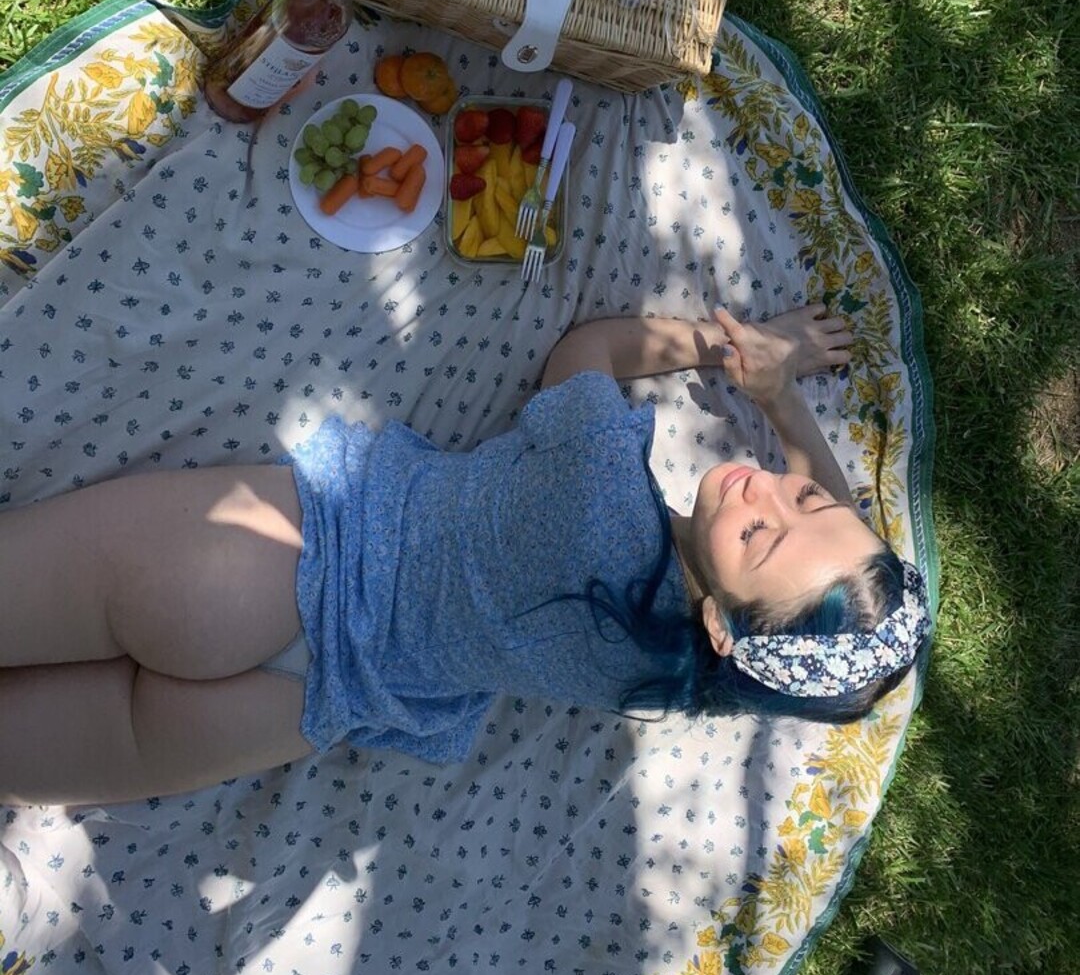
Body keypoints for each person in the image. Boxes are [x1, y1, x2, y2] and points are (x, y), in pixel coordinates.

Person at [0, 304, 930, 807]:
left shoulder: (598, 478)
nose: (767, 489)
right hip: (293, 710)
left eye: (761, 531)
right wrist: (784, 407)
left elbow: (586, 350)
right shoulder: (693, 675)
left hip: (269, 570)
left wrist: (737, 358)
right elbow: (829, 587)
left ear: (725, 624)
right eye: (805, 494)